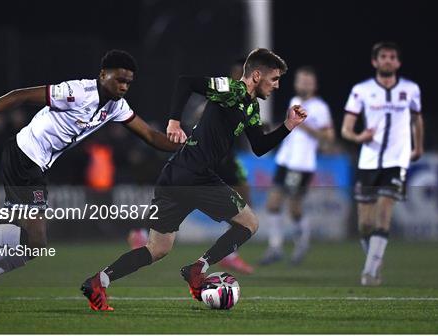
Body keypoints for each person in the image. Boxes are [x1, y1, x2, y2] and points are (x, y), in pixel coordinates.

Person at [0, 50, 182, 308]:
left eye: (128, 82)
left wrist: (189, 145)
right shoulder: (77, 92)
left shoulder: (116, 107)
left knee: (29, 247)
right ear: (103, 74)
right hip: (25, 157)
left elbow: (150, 135)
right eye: (119, 80)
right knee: (35, 240)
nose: (124, 86)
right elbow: (19, 96)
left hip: (35, 163)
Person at [80, 48, 307, 311]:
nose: (277, 85)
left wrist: (288, 126)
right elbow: (185, 81)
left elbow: (259, 145)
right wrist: (174, 122)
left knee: (158, 248)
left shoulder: (251, 106)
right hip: (195, 175)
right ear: (257, 75)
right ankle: (197, 269)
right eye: (275, 79)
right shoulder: (231, 89)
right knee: (249, 223)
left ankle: (99, 281)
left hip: (176, 174)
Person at [127, 58, 255, 274]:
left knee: (244, 198)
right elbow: (197, 108)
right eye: (237, 72)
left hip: (224, 155)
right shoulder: (223, 91)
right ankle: (143, 231)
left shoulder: (247, 100)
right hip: (205, 154)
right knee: (182, 192)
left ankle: (229, 254)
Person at [341, 42, 424, 286]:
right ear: (375, 62)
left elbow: (417, 120)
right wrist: (358, 137)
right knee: (364, 224)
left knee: (384, 213)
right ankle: (375, 259)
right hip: (368, 162)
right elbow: (346, 128)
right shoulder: (362, 90)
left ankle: (370, 272)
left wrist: (418, 147)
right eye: (383, 57)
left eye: (392, 57)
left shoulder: (410, 89)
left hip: (396, 162)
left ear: (398, 63)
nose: (388, 60)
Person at [260, 66, 335, 265]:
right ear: (296, 83)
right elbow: (289, 127)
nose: (304, 84)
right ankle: (275, 247)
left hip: (302, 164)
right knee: (273, 204)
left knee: (294, 208)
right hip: (285, 160)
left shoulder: (320, 108)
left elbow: (328, 137)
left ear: (314, 85)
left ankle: (302, 241)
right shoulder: (294, 102)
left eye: (308, 81)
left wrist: (307, 126)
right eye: (301, 81)